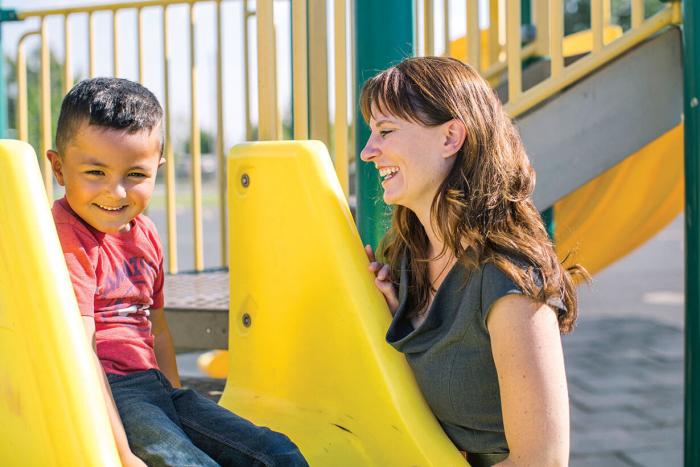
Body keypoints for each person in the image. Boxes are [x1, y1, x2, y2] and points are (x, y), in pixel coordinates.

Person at [48, 77, 307, 467]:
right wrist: (120, 454)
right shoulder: (66, 236)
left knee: (276, 453)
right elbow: (80, 352)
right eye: (96, 173)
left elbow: (157, 327)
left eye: (135, 175)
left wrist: (175, 399)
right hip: (108, 392)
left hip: (154, 386)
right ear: (58, 168)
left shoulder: (145, 235)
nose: (115, 192)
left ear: (158, 169)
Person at [360, 57, 587, 467]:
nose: (367, 151)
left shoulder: (506, 275)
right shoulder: (403, 257)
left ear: (450, 138)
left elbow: (541, 461)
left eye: (386, 131)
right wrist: (390, 321)